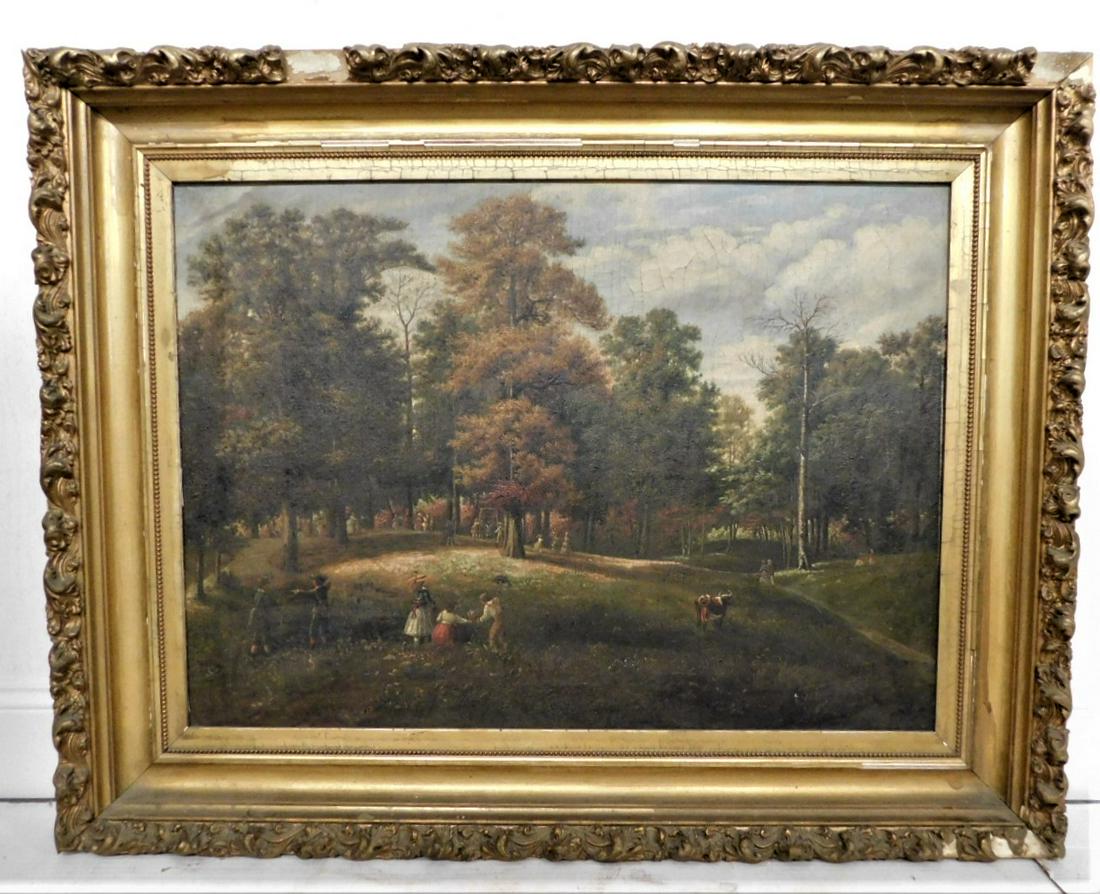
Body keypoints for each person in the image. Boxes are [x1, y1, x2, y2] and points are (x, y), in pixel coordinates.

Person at [292, 574, 330, 649]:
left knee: (313, 627)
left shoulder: (318, 590)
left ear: (318, 581)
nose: (313, 581)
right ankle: (326, 643)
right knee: (323, 627)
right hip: (325, 610)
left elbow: (308, 593)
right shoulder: (324, 588)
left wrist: (299, 592)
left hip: (319, 610)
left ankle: (313, 643)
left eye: (315, 580)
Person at [248, 580, 275, 656]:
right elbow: (267, 605)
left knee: (257, 635)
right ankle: (268, 652)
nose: (269, 587)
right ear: (264, 586)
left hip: (258, 616)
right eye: (267, 585)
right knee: (264, 634)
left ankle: (253, 653)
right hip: (262, 616)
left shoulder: (257, 593)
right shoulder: (263, 595)